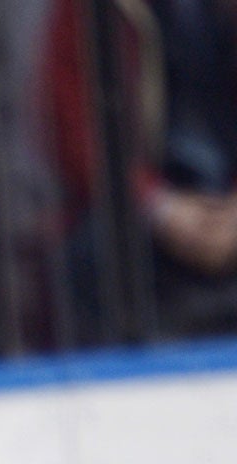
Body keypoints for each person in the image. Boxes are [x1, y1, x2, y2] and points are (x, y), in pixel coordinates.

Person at [40, 0, 237, 338]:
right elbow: (73, 132)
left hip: (225, 204)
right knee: (98, 253)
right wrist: (161, 206)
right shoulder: (86, 12)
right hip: (140, 212)